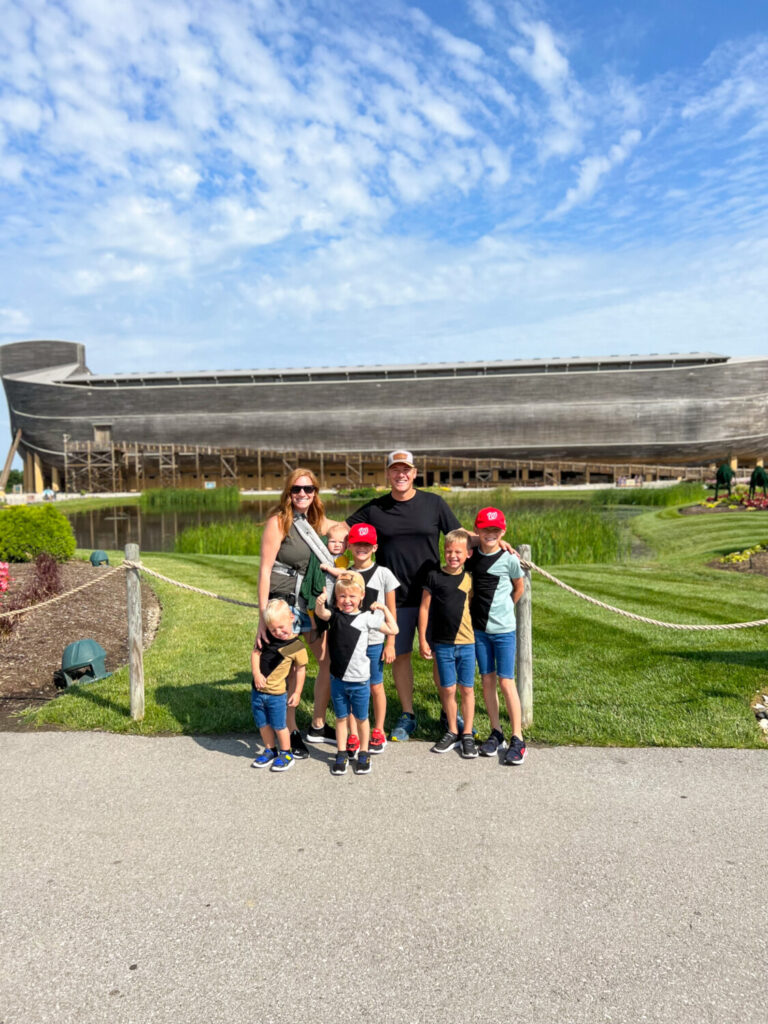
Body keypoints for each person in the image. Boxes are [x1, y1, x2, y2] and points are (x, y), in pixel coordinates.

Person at [346, 449, 461, 742]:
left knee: (440, 654)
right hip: (394, 597)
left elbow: (459, 535)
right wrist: (302, 523)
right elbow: (340, 529)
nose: (401, 475)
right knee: (400, 656)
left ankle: (449, 713)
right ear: (387, 473)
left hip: (432, 594)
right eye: (395, 470)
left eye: (406, 470)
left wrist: (496, 539)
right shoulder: (375, 509)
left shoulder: (433, 503)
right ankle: (408, 714)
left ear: (415, 473)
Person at [257, 468, 338, 753]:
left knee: (326, 660)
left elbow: (349, 531)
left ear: (316, 492)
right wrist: (261, 619)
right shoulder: (278, 522)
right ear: (288, 493)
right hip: (284, 602)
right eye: (296, 489)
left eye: (308, 489)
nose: (302, 494)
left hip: (312, 604)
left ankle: (317, 724)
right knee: (290, 666)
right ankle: (289, 730)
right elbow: (265, 571)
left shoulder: (320, 523)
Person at [322, 523, 399, 755]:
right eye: (357, 544)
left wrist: (391, 643)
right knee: (350, 687)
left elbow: (390, 609)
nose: (362, 549)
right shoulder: (345, 575)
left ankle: (378, 729)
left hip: (375, 640)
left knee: (375, 685)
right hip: (349, 643)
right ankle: (353, 734)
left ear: (374, 547)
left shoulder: (384, 573)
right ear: (349, 546)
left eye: (367, 545)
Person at [314, 572, 398, 776]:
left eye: (352, 596)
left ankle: (364, 752)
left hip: (360, 681)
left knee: (361, 718)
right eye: (342, 597)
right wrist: (320, 603)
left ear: (361, 596)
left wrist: (384, 608)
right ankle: (341, 753)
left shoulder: (367, 618)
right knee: (341, 718)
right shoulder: (335, 616)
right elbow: (322, 614)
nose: (347, 601)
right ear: (337, 599)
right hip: (338, 679)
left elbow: (393, 629)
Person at [468, 507, 526, 766]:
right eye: (485, 529)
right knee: (487, 681)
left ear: (503, 530)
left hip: (503, 631)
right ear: (477, 529)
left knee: (506, 682)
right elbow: (458, 535)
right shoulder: (471, 556)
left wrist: (505, 611)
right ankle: (496, 731)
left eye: (496, 530)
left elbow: (519, 587)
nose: (490, 534)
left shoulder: (509, 559)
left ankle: (518, 737)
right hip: (479, 631)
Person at [418, 529, 477, 758]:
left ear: (468, 554)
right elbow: (424, 609)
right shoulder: (434, 577)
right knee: (448, 688)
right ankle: (452, 730)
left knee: (467, 688)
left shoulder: (471, 579)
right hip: (442, 644)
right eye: (449, 551)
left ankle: (468, 733)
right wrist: (423, 639)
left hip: (468, 642)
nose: (453, 556)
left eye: (458, 552)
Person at [250, 599, 308, 772]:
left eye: (281, 627)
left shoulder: (296, 646)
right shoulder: (266, 638)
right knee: (263, 724)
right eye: (273, 629)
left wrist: (297, 692)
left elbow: (300, 670)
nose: (278, 632)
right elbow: (255, 653)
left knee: (279, 725)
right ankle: (270, 750)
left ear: (291, 617)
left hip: (276, 694)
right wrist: (256, 674)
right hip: (258, 691)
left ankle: (286, 753)